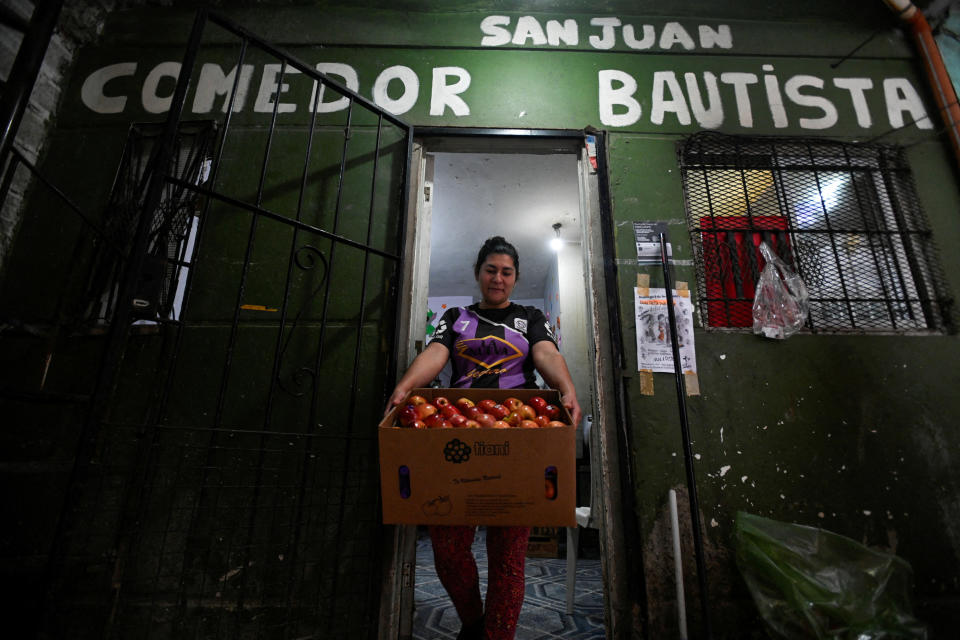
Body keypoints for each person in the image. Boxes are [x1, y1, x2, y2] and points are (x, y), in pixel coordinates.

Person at [385, 236, 582, 640]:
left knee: (508, 560)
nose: (498, 278)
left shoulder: (530, 316)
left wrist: (566, 388)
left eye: (506, 272)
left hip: (520, 436)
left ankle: (496, 635)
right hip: (455, 433)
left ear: (516, 278)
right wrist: (405, 387)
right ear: (478, 273)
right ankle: (474, 622)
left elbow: (545, 353)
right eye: (490, 270)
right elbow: (437, 353)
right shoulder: (456, 316)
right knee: (448, 551)